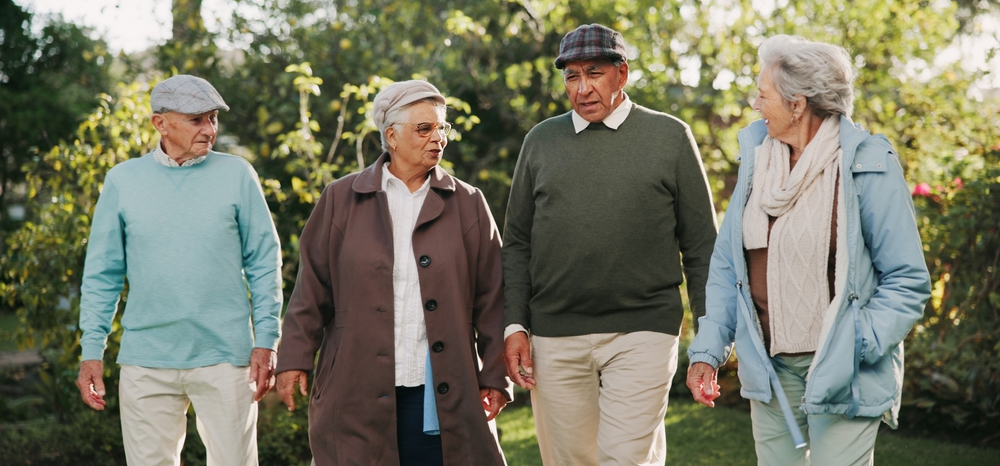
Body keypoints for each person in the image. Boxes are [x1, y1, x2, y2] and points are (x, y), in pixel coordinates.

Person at [686, 34, 932, 465]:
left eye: (762, 95)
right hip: (770, 368)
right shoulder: (757, 161)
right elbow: (729, 268)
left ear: (797, 103)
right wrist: (707, 352)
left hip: (844, 369)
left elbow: (907, 279)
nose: (755, 105)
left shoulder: (867, 163)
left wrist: (854, 343)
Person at [503, 23, 719, 466]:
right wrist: (515, 325)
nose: (582, 89)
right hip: (555, 331)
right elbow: (518, 243)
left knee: (626, 459)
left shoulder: (669, 137)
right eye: (571, 77)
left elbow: (702, 247)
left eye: (594, 73)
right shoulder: (541, 142)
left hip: (643, 329)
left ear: (622, 74)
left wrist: (709, 339)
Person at [275, 80, 510, 466]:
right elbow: (311, 288)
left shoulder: (468, 203)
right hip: (355, 386)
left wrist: (495, 376)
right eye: (424, 128)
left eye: (442, 128)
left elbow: (493, 298)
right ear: (391, 136)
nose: (438, 138)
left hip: (439, 392)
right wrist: (294, 359)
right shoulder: (340, 197)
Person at [76, 74, 283, 465]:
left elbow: (264, 260)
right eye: (197, 120)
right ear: (160, 123)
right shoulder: (123, 180)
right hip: (146, 358)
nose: (210, 130)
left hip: (226, 356)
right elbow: (102, 274)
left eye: (213, 119)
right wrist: (92, 351)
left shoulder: (238, 175)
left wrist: (267, 340)